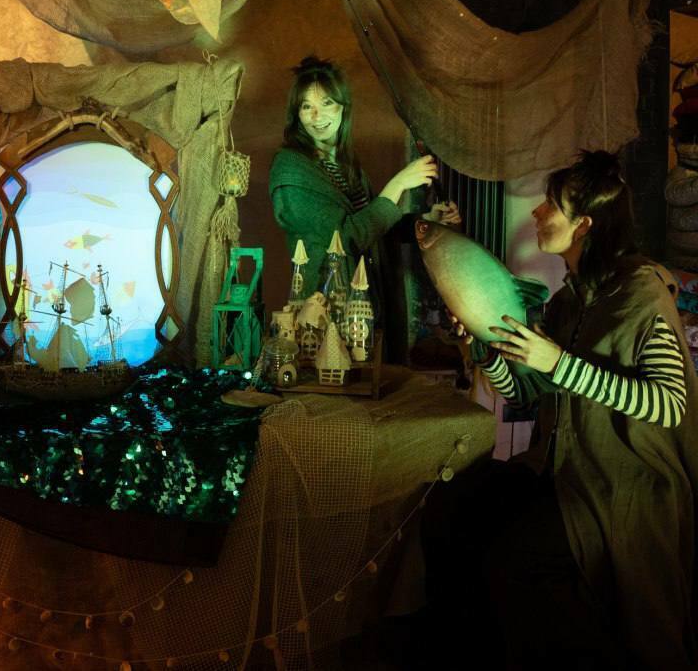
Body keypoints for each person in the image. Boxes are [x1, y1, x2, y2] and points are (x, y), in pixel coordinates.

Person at [428, 150, 698, 669]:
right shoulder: (569, 301)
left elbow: (668, 403)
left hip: (621, 483)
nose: (537, 212)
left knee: (515, 561)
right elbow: (526, 396)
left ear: (584, 225)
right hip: (559, 470)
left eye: (551, 204)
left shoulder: (641, 292)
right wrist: (484, 349)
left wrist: (559, 362)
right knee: (453, 508)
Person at [268, 56, 460, 345]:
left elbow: (375, 227)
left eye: (327, 103)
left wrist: (426, 221)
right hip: (326, 307)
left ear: (343, 107)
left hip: (367, 300)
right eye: (306, 106)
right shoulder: (291, 170)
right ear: (297, 114)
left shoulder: (346, 166)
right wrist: (398, 184)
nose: (317, 116)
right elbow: (344, 238)